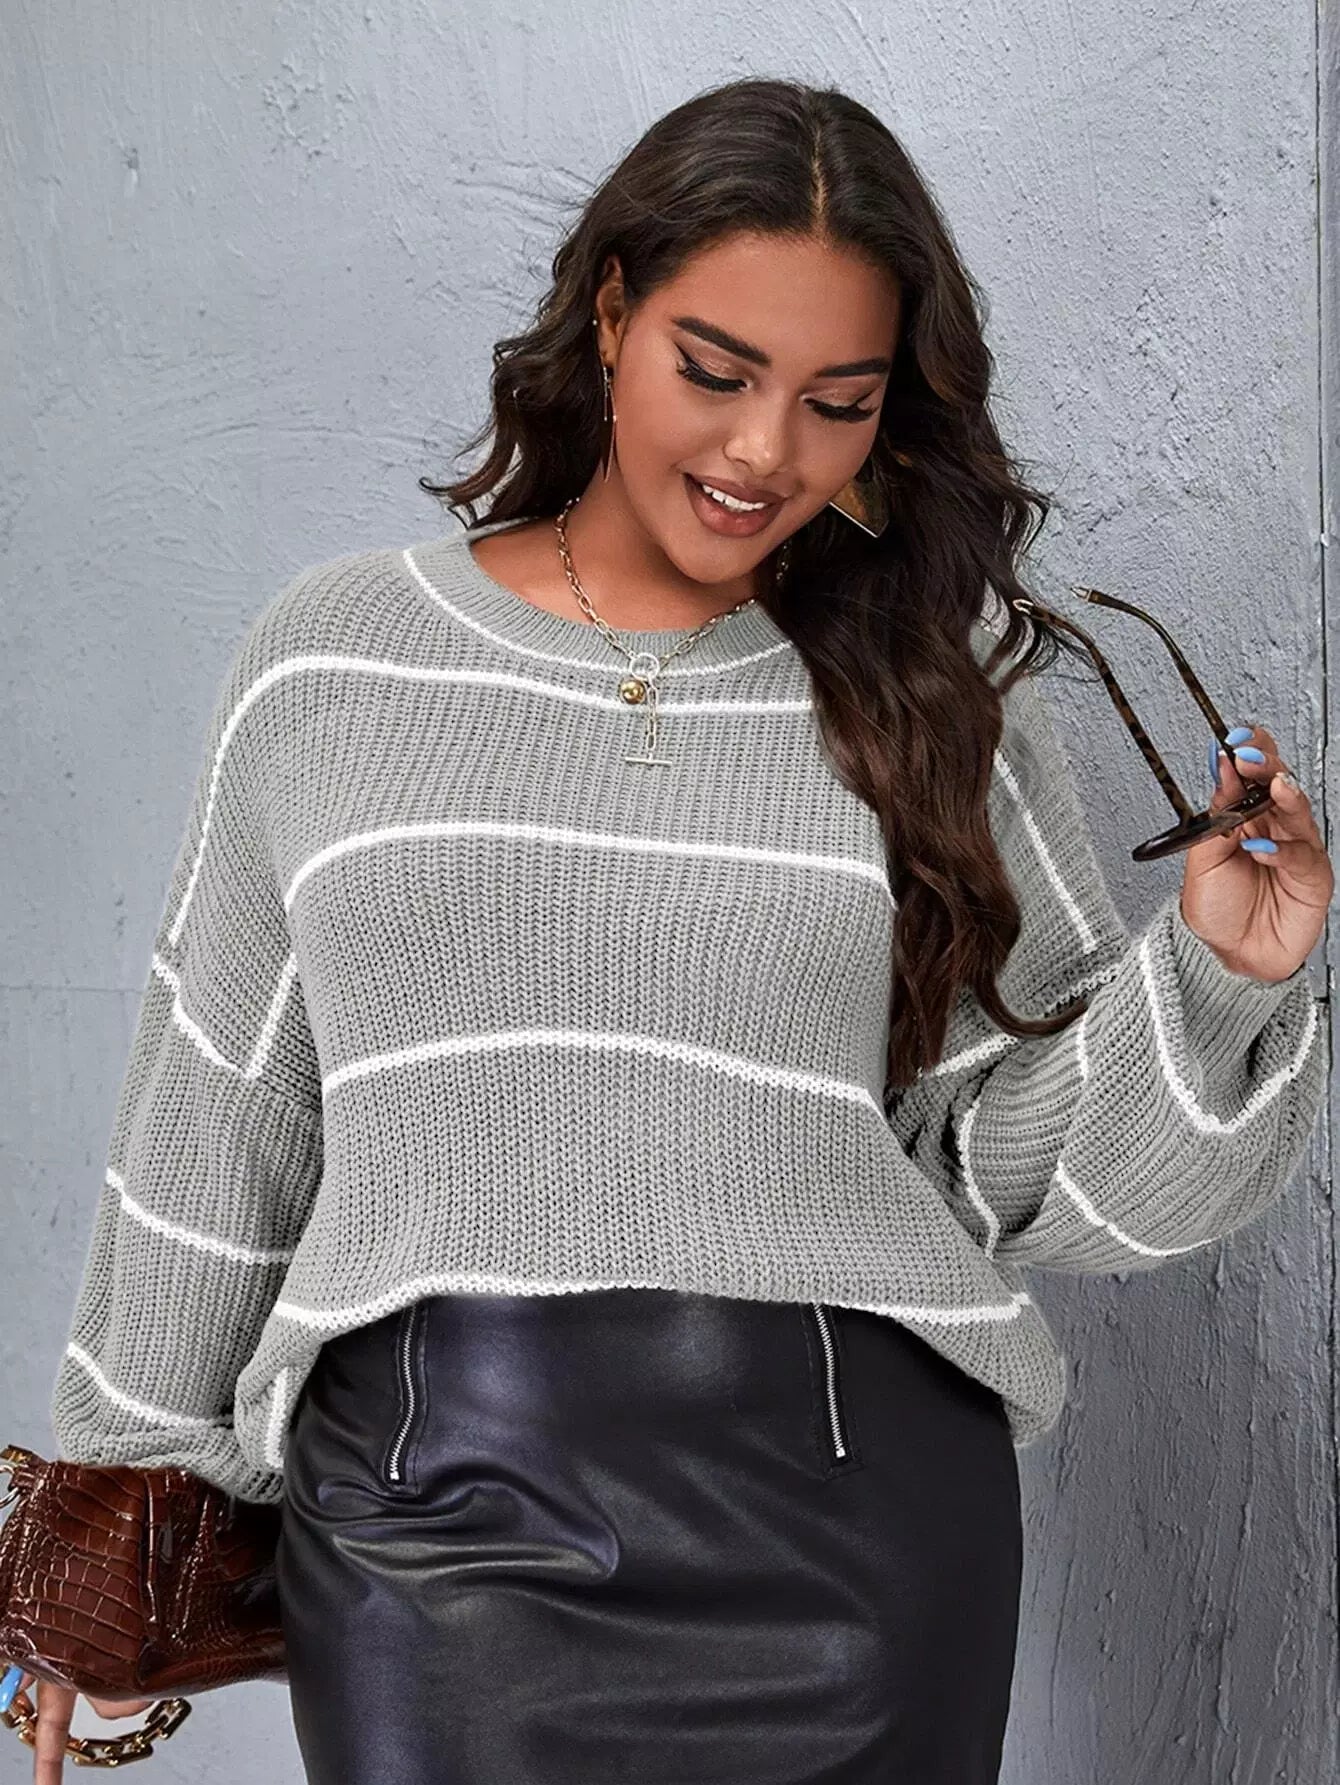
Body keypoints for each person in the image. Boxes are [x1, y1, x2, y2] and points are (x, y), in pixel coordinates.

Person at [24, 75, 1329, 1785]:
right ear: (610, 312)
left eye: (837, 402)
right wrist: (102, 1529)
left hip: (858, 1537)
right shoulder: (331, 660)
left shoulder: (934, 696)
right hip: (430, 1528)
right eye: (717, 371)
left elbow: (1016, 1169)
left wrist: (1221, 976)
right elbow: (218, 1114)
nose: (766, 451)